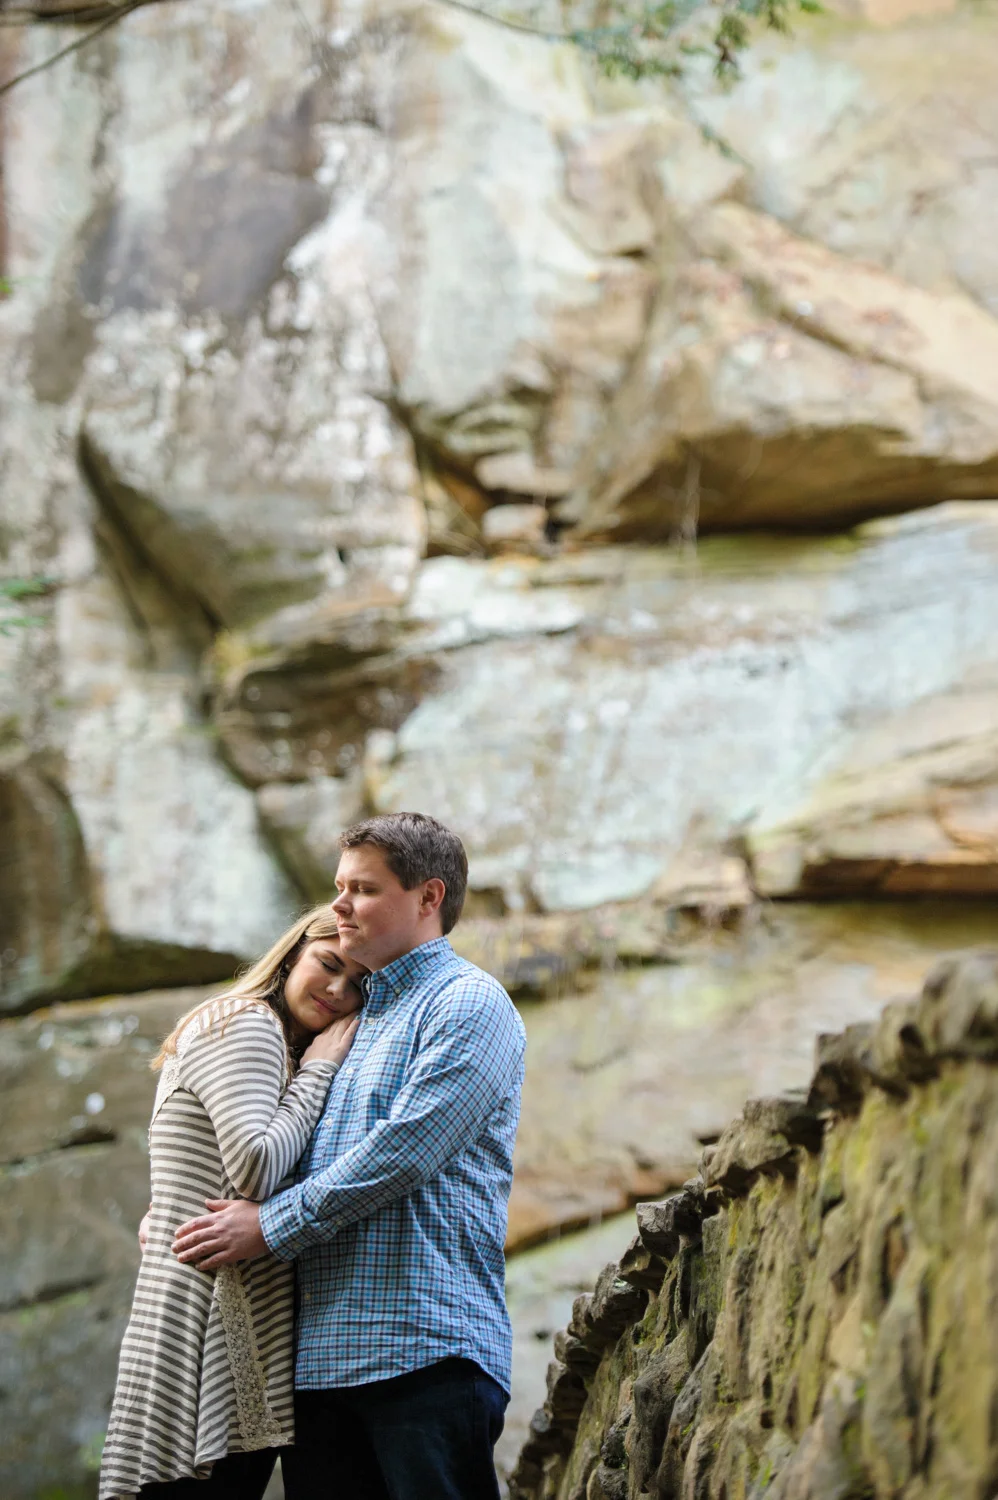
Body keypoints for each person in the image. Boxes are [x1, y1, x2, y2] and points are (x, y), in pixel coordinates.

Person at [173, 811, 527, 1500]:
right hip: (315, 1372)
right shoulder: (343, 1027)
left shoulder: (467, 1003)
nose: (338, 905)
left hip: (424, 1354)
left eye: (362, 889)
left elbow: (403, 1155)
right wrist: (172, 1209)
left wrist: (267, 1228)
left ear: (428, 898)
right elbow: (264, 1152)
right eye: (340, 886)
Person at [99, 907, 368, 1500]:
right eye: (328, 964)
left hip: (227, 1320)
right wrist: (321, 1071)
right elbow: (256, 1169)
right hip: (204, 1325)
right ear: (293, 953)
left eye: (357, 985)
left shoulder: (271, 1039)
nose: (337, 991)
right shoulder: (250, 1023)